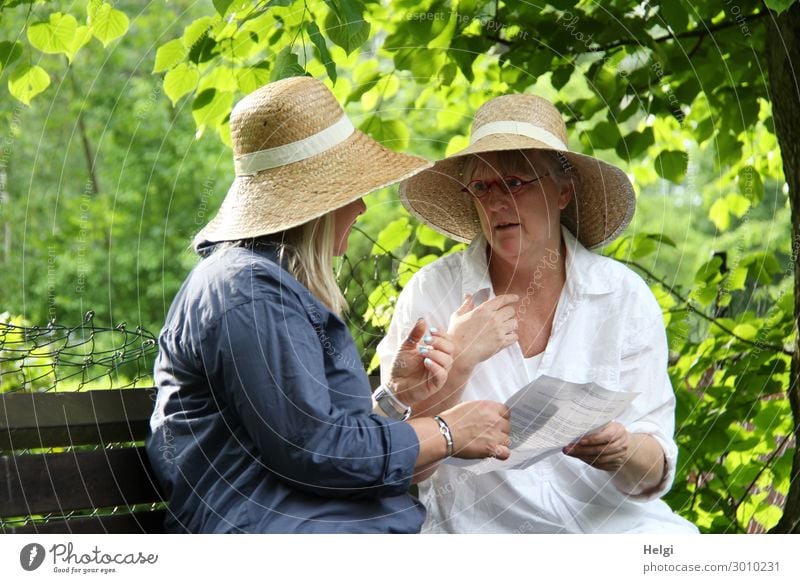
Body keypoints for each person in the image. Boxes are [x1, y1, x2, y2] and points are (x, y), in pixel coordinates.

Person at [146, 76, 512, 534]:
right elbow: (314, 450)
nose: (360, 207)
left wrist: (397, 396)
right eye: (349, 192)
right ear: (314, 205)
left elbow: (313, 436)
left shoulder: (264, 287)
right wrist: (447, 431)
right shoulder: (249, 293)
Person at [378, 93, 699, 533]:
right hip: (485, 538)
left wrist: (623, 450)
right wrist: (461, 362)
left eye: (514, 182)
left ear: (563, 191)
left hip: (614, 534)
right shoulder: (434, 293)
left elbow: (653, 471)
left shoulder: (622, 295)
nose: (496, 203)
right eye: (483, 187)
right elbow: (397, 462)